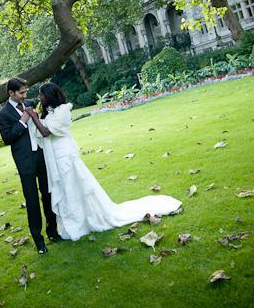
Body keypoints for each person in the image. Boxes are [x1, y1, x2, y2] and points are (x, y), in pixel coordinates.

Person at [27, 82, 183, 241]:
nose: (40, 97)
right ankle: (73, 221)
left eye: (42, 94)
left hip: (64, 156)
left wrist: (33, 116)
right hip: (54, 157)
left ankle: (82, 221)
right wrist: (35, 117)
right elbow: (41, 131)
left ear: (50, 95)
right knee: (67, 190)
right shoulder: (49, 112)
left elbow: (46, 132)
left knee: (72, 187)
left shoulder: (63, 111)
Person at [0, 77, 61, 254]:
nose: (26, 95)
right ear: (11, 93)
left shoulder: (32, 103)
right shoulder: (3, 114)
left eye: (26, 92)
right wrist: (22, 121)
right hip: (25, 161)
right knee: (32, 201)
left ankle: (53, 231)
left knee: (48, 195)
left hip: (41, 155)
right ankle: (39, 241)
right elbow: (7, 138)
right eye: (22, 93)